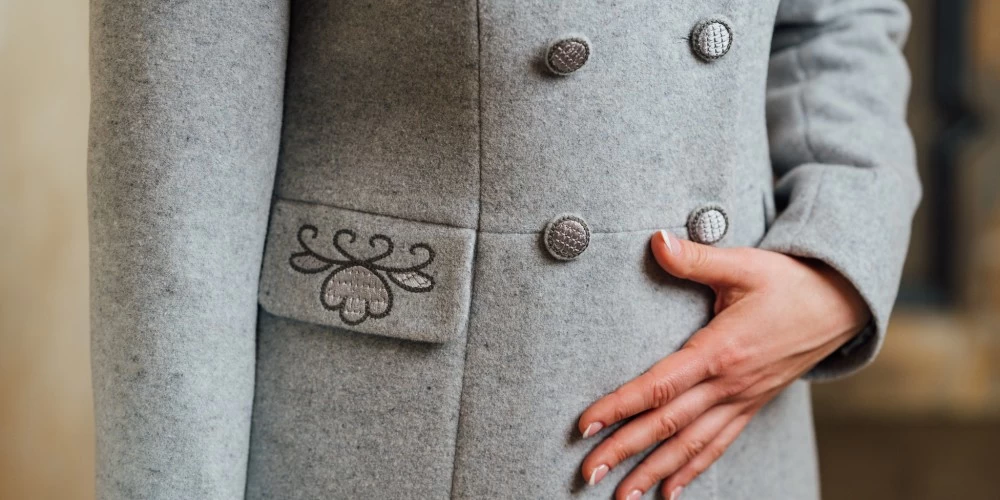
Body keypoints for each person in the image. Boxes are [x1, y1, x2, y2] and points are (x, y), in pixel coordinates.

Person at [87, 0, 920, 499]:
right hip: (416, 439)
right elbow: (178, 177)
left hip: (731, 434)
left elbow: (834, 22)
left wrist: (835, 264)